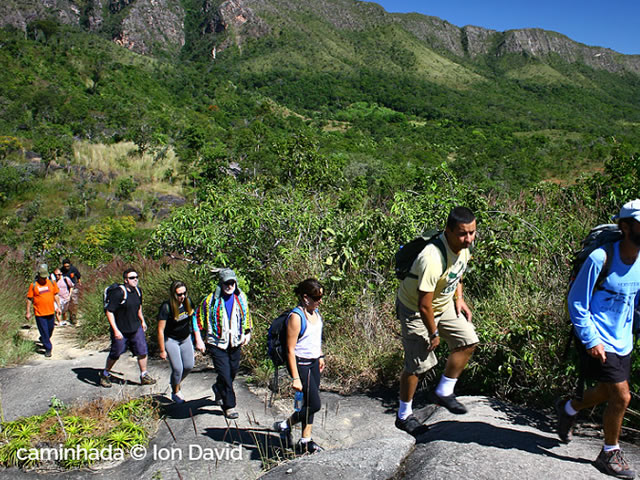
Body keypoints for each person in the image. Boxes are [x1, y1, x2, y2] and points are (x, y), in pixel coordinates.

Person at [557, 199, 640, 480]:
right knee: (622, 395)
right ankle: (609, 452)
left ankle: (569, 407)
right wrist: (591, 339)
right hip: (598, 335)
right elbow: (577, 302)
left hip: (623, 337)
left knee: (607, 391)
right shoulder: (600, 258)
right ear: (626, 227)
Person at [394, 206, 479, 435]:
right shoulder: (431, 258)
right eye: (463, 233)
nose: (468, 239)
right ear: (448, 231)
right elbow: (423, 304)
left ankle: (444, 390)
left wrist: (459, 299)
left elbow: (458, 272)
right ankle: (403, 415)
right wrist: (434, 333)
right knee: (418, 366)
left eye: (472, 232)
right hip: (415, 309)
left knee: (468, 340)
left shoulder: (463, 248)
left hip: (443, 304)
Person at [273, 278, 326, 454]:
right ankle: (284, 425)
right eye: (316, 298)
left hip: (313, 363)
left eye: (320, 297)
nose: (320, 301)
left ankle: (305, 440)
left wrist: (320, 356)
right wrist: (295, 377)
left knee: (309, 402)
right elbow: (290, 349)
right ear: (305, 298)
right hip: (301, 364)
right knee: (315, 404)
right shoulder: (296, 317)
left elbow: (316, 338)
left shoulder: (316, 313)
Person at [197, 269, 252, 419]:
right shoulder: (210, 300)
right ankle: (229, 406)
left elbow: (246, 315)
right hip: (217, 343)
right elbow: (197, 318)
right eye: (226, 283)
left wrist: (247, 332)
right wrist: (199, 339)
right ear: (221, 283)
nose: (230, 285)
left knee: (232, 372)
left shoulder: (240, 298)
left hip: (235, 342)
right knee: (225, 375)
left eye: (232, 282)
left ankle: (218, 387)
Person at [99, 268, 156, 388]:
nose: (135, 280)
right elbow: (109, 311)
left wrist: (142, 321)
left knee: (142, 351)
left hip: (135, 327)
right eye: (131, 278)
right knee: (116, 352)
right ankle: (105, 374)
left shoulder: (138, 291)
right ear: (125, 280)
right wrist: (115, 330)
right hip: (121, 329)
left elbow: (138, 307)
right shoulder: (119, 293)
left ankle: (144, 375)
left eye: (136, 277)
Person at [157, 281, 205, 403]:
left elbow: (193, 320)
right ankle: (175, 391)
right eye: (179, 294)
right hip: (171, 340)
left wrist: (197, 338)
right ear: (173, 294)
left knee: (188, 366)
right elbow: (160, 330)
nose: (182, 297)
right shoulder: (166, 307)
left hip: (185, 338)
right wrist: (162, 350)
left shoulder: (188, 303)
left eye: (184, 293)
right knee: (178, 369)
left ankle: (176, 382)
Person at [26, 264, 61, 358]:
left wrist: (59, 307)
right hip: (39, 313)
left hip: (50, 312)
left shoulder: (52, 283)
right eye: (42, 277)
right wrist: (28, 312)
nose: (44, 279)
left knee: (50, 330)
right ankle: (48, 348)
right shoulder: (33, 285)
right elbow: (29, 299)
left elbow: (56, 295)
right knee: (44, 331)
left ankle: (43, 339)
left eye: (45, 277)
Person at [60, 258, 81, 324]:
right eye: (65, 266)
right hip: (65, 289)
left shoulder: (73, 269)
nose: (66, 268)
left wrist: (79, 284)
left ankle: (74, 317)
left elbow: (78, 277)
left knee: (74, 302)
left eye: (68, 266)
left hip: (73, 288)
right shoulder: (61, 270)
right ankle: (66, 318)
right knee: (66, 303)